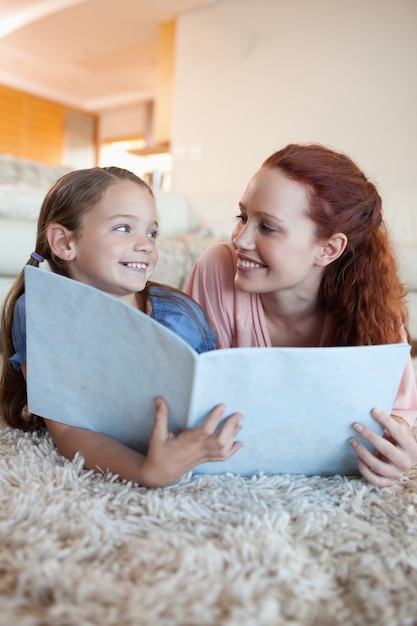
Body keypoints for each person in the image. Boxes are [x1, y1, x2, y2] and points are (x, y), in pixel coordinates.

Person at [187, 143, 417, 487]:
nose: (240, 238)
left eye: (267, 227)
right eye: (243, 217)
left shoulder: (374, 305)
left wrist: (399, 448)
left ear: (328, 249)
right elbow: (190, 393)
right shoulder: (216, 268)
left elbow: (399, 414)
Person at [0, 166, 243, 487]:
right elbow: (69, 429)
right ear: (63, 242)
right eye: (124, 228)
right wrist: (146, 471)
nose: (146, 244)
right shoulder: (38, 310)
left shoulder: (179, 319)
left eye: (152, 233)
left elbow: (211, 403)